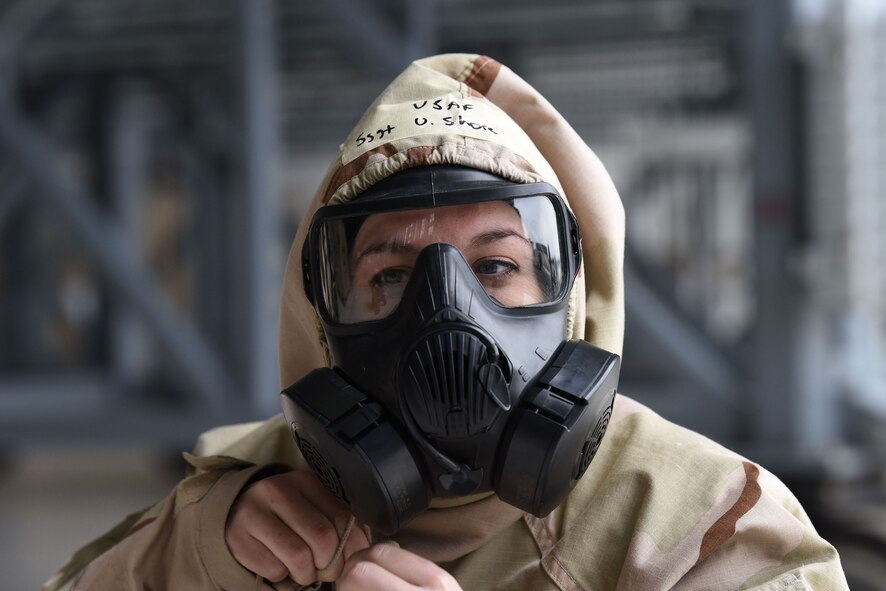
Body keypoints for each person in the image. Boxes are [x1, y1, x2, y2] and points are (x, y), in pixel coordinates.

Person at [44, 54, 849, 591]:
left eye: (495, 266)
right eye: (391, 276)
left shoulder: (701, 519)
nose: (445, 321)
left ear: (569, 296)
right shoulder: (250, 504)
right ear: (321, 312)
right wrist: (201, 551)